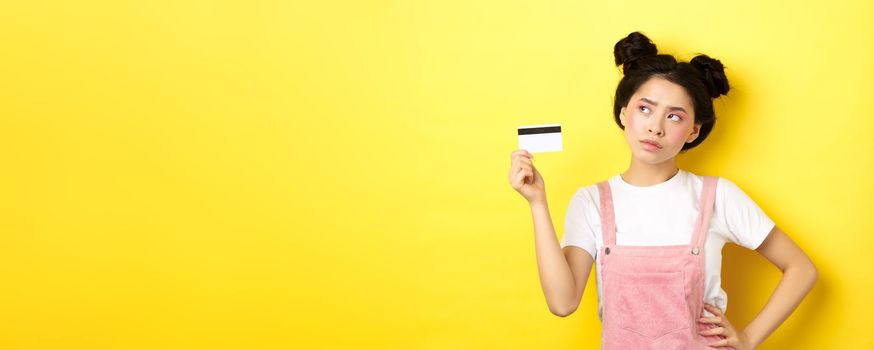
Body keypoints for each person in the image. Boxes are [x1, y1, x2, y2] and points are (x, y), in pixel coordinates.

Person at [508, 31, 818, 349]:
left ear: (693, 131)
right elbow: (563, 303)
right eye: (645, 109)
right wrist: (537, 204)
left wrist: (749, 338)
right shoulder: (591, 202)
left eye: (674, 116)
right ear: (624, 113)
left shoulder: (718, 197)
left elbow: (801, 268)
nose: (656, 126)